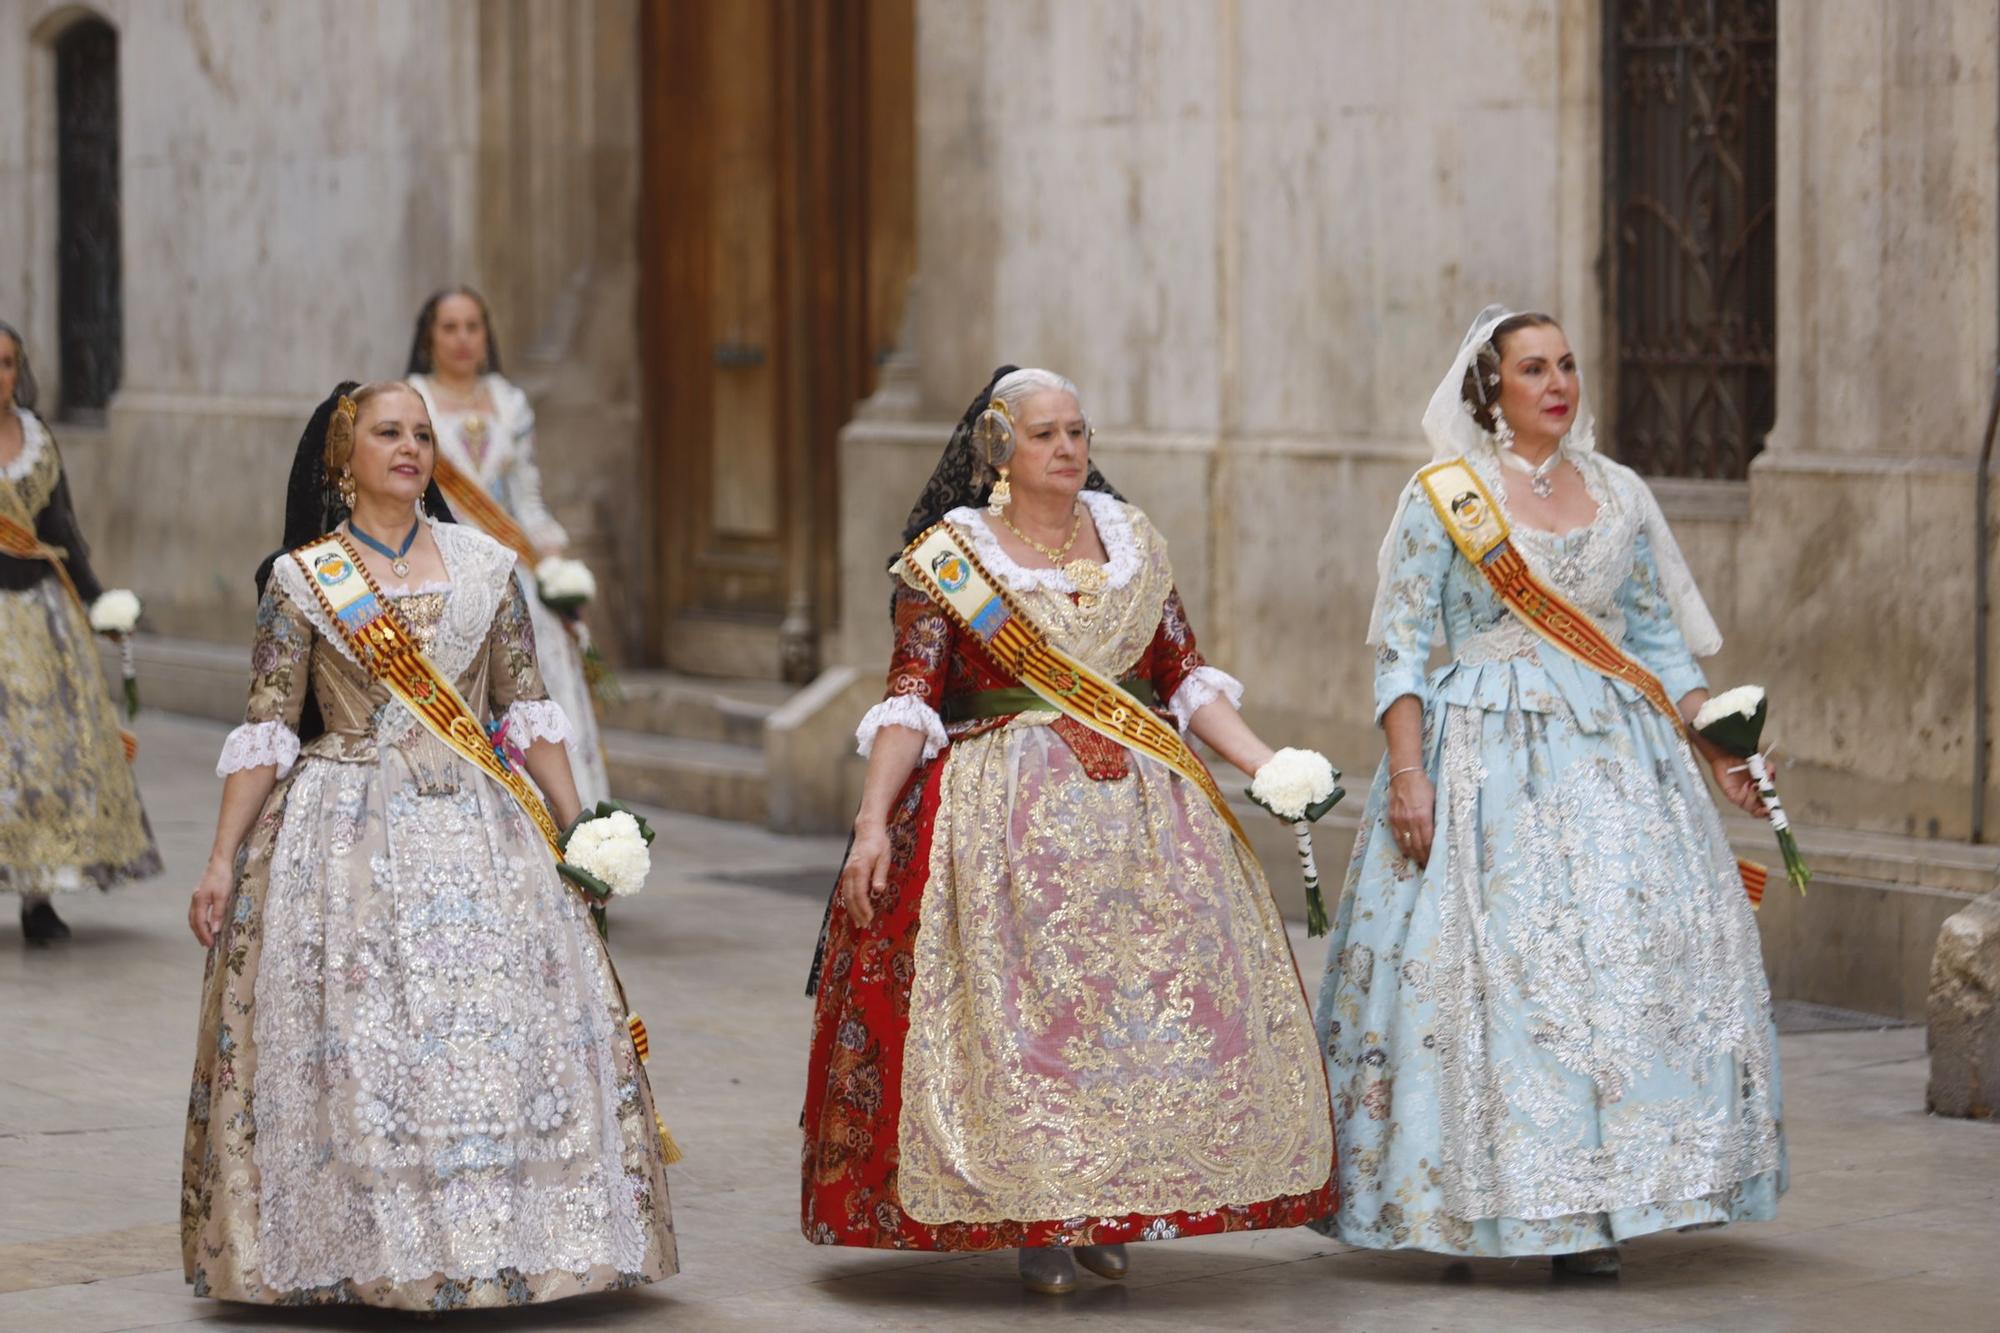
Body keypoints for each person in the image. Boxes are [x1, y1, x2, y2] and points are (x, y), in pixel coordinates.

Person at [800, 366, 1335, 1296]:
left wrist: (1265, 766)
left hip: (1144, 820)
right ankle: (1039, 1217)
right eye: (1046, 433)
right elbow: (910, 697)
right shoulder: (951, 558)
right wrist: (871, 820)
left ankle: (1111, 1205)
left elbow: (1184, 677)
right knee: (1025, 1022)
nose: (1069, 448)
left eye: (1079, 431)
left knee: (1136, 1015)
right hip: (1001, 823)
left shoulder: (1133, 542)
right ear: (1001, 448)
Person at [180, 381, 675, 1309]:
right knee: (369, 1038)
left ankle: (512, 1241)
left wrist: (580, 826)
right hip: (345, 829)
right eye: (386, 432)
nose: (408, 446)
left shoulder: (489, 565)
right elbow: (270, 727)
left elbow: (526, 709)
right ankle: (376, 1248)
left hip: (485, 826)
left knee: (492, 1029)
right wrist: (220, 858)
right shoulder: (302, 577)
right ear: (345, 455)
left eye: (421, 433)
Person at [1315, 306, 1785, 1274]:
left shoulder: (1617, 492)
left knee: (1616, 974)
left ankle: (1601, 1210)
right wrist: (1407, 775)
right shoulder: (1444, 496)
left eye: (1566, 364)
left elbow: (1655, 644)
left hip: (1618, 758)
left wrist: (1717, 748)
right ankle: (1472, 1210)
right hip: (1482, 757)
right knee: (1493, 980)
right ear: (1490, 390)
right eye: (1532, 368)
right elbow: (1400, 652)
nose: (1557, 383)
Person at [406, 287, 610, 806]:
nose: (462, 339)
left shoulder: (509, 403)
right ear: (429, 335)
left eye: (472, 326)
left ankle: (564, 814)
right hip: (440, 570)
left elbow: (527, 500)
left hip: (510, 571)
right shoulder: (412, 399)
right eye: (450, 327)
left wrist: (555, 565)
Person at [0, 320, 160, 941]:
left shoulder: (39, 440)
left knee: (44, 759)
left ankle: (39, 897)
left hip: (41, 619)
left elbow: (62, 531)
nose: (0, 374)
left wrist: (100, 603)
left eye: (8, 362)